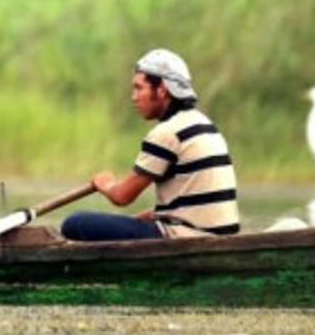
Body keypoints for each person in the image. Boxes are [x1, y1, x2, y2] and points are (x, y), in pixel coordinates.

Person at [62, 49, 239, 241]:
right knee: (137, 219)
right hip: (219, 234)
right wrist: (159, 214)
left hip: (186, 237)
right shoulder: (205, 123)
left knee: (75, 222)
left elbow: (122, 196)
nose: (134, 97)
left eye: (139, 88)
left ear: (162, 90)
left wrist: (105, 184)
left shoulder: (167, 132)